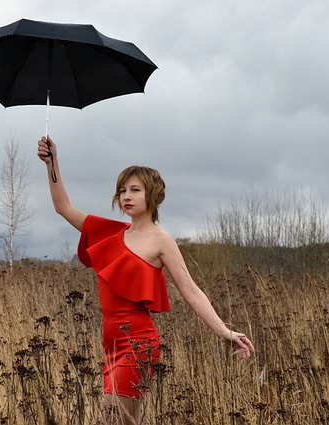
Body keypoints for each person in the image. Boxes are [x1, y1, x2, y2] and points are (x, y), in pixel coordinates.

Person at [37, 136, 255, 424]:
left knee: (111, 419)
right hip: (110, 345)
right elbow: (63, 207)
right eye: (122, 190)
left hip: (138, 343)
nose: (126, 196)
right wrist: (52, 163)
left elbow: (191, 290)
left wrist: (224, 331)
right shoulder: (110, 232)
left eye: (135, 190)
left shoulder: (161, 241)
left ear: (152, 195)